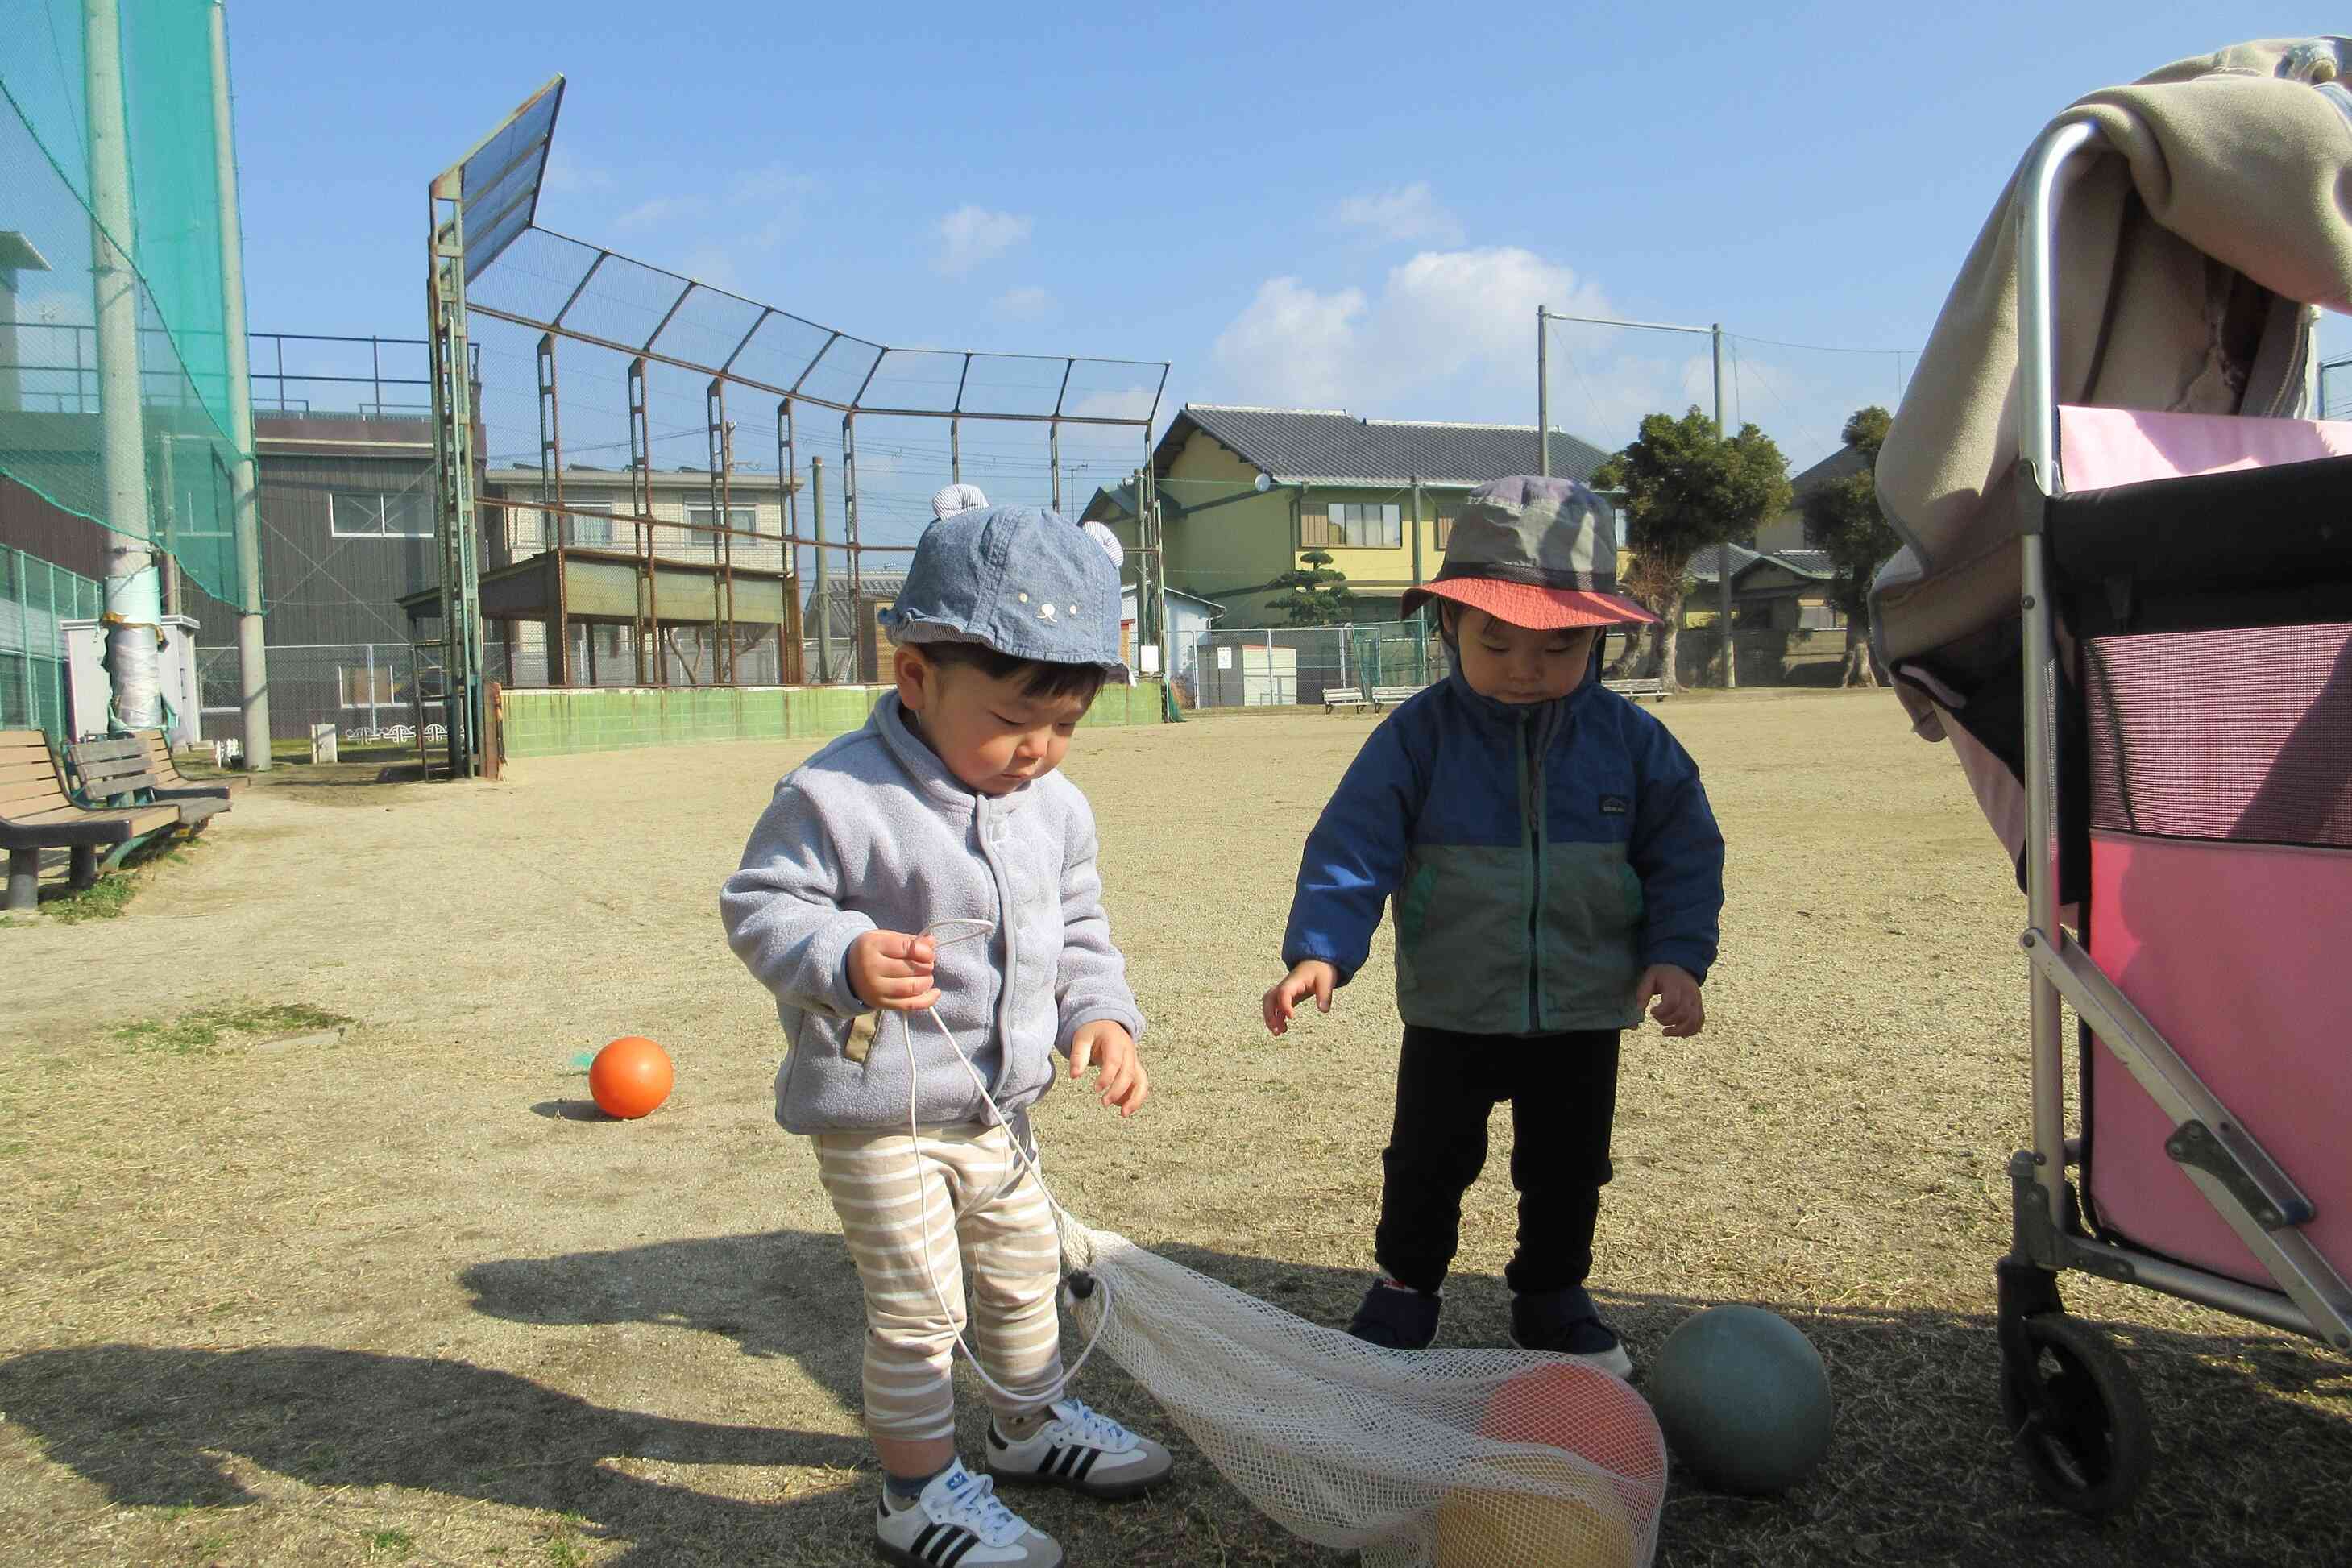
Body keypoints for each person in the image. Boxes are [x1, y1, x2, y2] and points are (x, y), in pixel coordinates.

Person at [723, 503, 1171, 1568]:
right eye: (1017, 718)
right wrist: (841, 956)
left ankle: (1028, 1427)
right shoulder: (837, 792)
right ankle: (915, 1496)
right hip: (880, 1119)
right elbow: (758, 902)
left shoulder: (1055, 805)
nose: (1039, 749)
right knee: (921, 1308)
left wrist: (1100, 1015)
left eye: (1064, 724)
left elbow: (1077, 930)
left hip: (1000, 1112)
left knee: (1023, 1277)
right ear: (916, 676)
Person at [1262, 475, 1725, 1375]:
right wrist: (1321, 951)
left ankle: (1551, 1293)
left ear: (1599, 636)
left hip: (1587, 1003)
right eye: (1496, 639)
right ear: (1448, 628)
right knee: (1427, 1158)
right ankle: (1404, 1285)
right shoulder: (1416, 737)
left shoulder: (1635, 744)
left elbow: (1684, 852)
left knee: (1569, 1166)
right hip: (1453, 1001)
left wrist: (1677, 955)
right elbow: (1354, 843)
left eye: (1558, 645)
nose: (1525, 665)